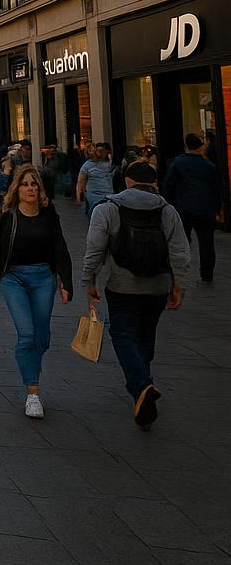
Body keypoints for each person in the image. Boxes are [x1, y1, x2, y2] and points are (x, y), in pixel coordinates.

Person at [83, 162, 192, 430]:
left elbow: (94, 247)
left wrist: (89, 280)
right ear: (154, 182)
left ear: (127, 181)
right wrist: (179, 285)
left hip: (121, 286)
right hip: (157, 287)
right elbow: (180, 252)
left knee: (122, 334)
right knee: (146, 334)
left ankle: (142, 384)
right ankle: (143, 390)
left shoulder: (108, 208)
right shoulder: (167, 210)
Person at [0, 164, 72, 419]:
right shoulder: (7, 215)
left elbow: (60, 247)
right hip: (13, 278)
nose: (30, 189)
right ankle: (32, 392)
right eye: (25, 184)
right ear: (17, 189)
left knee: (41, 337)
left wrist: (65, 282)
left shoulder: (48, 214)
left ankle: (33, 356)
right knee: (27, 334)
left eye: (34, 184)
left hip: (43, 277)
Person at [163, 134, 220, 283]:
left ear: (186, 146)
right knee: (207, 242)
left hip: (184, 208)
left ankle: (180, 271)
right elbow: (216, 188)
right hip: (206, 209)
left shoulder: (178, 163)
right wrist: (217, 208)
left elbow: (169, 185)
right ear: (200, 146)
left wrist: (167, 204)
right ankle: (207, 273)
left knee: (182, 241)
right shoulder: (209, 165)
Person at [75, 142, 117, 219]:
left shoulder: (109, 163)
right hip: (94, 197)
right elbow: (80, 181)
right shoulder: (87, 165)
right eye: (91, 151)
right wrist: (79, 197)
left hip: (109, 196)